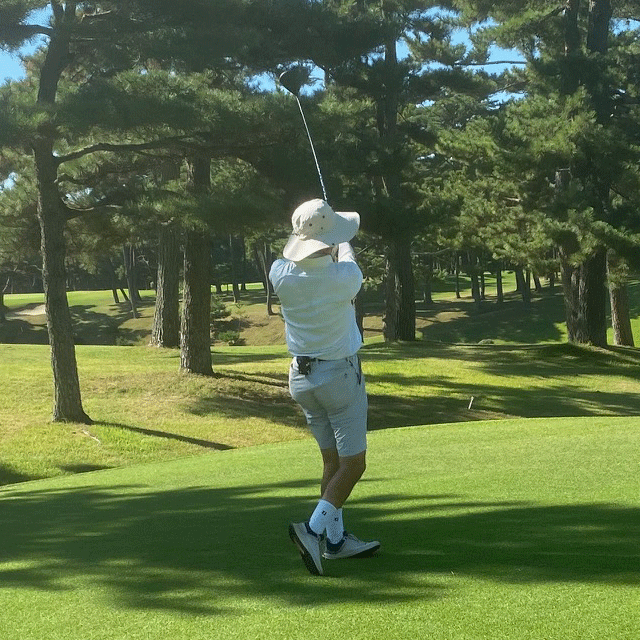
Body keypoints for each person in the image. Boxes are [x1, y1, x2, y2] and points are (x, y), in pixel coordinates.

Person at [269, 198, 380, 576]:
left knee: (332, 462)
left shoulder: (280, 274)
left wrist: (321, 233)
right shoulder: (343, 277)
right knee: (354, 465)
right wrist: (339, 237)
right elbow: (346, 255)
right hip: (339, 378)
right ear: (327, 241)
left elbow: (296, 253)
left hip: (302, 380)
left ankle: (335, 541)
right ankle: (313, 530)